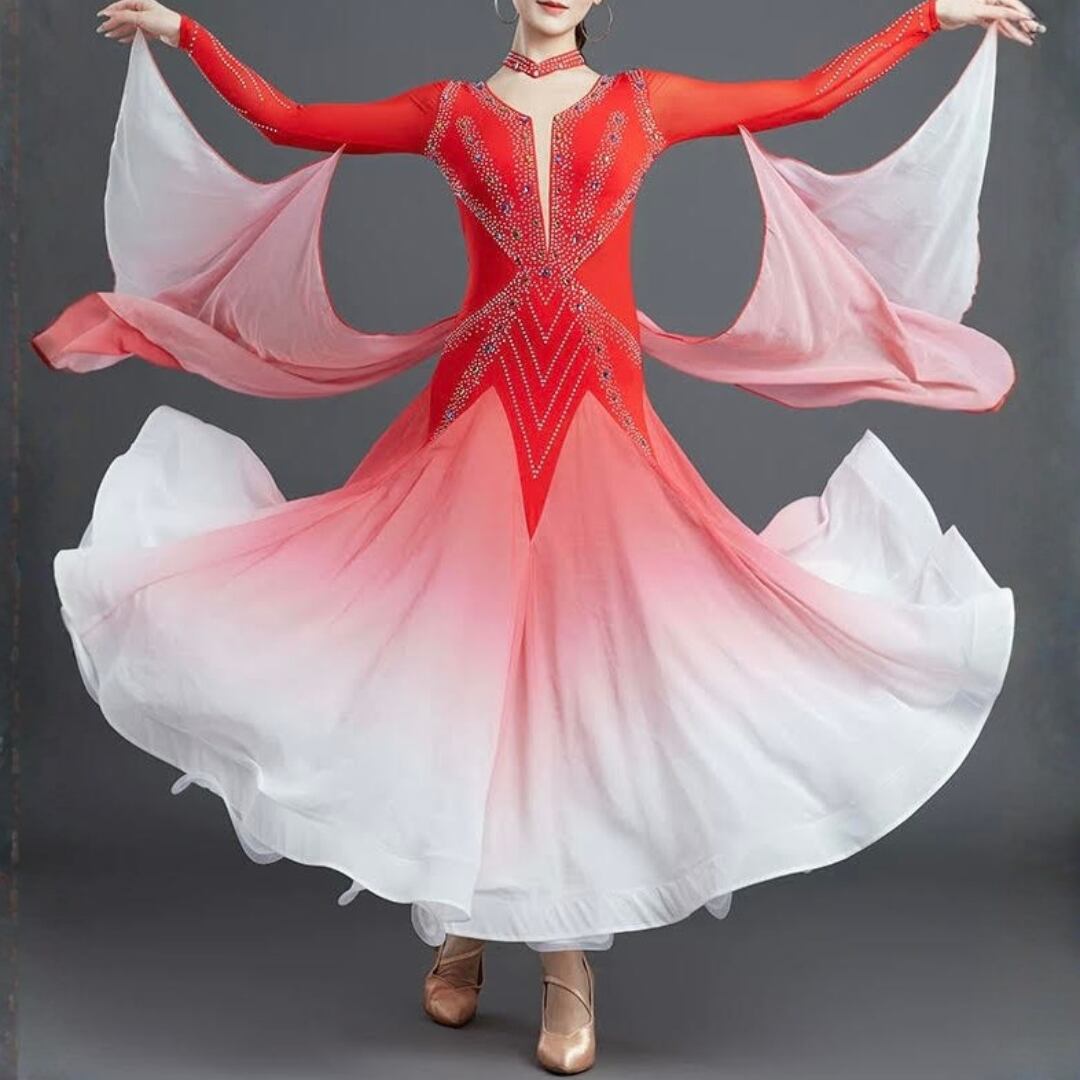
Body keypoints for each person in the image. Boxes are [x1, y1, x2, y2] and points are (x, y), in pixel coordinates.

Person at [39, 0, 1040, 1072]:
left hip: (605, 435)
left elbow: (808, 97)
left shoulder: (644, 105)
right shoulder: (450, 113)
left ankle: (565, 962)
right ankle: (466, 915)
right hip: (471, 425)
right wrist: (185, 33)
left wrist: (933, 16)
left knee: (575, 683)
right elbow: (287, 119)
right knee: (455, 676)